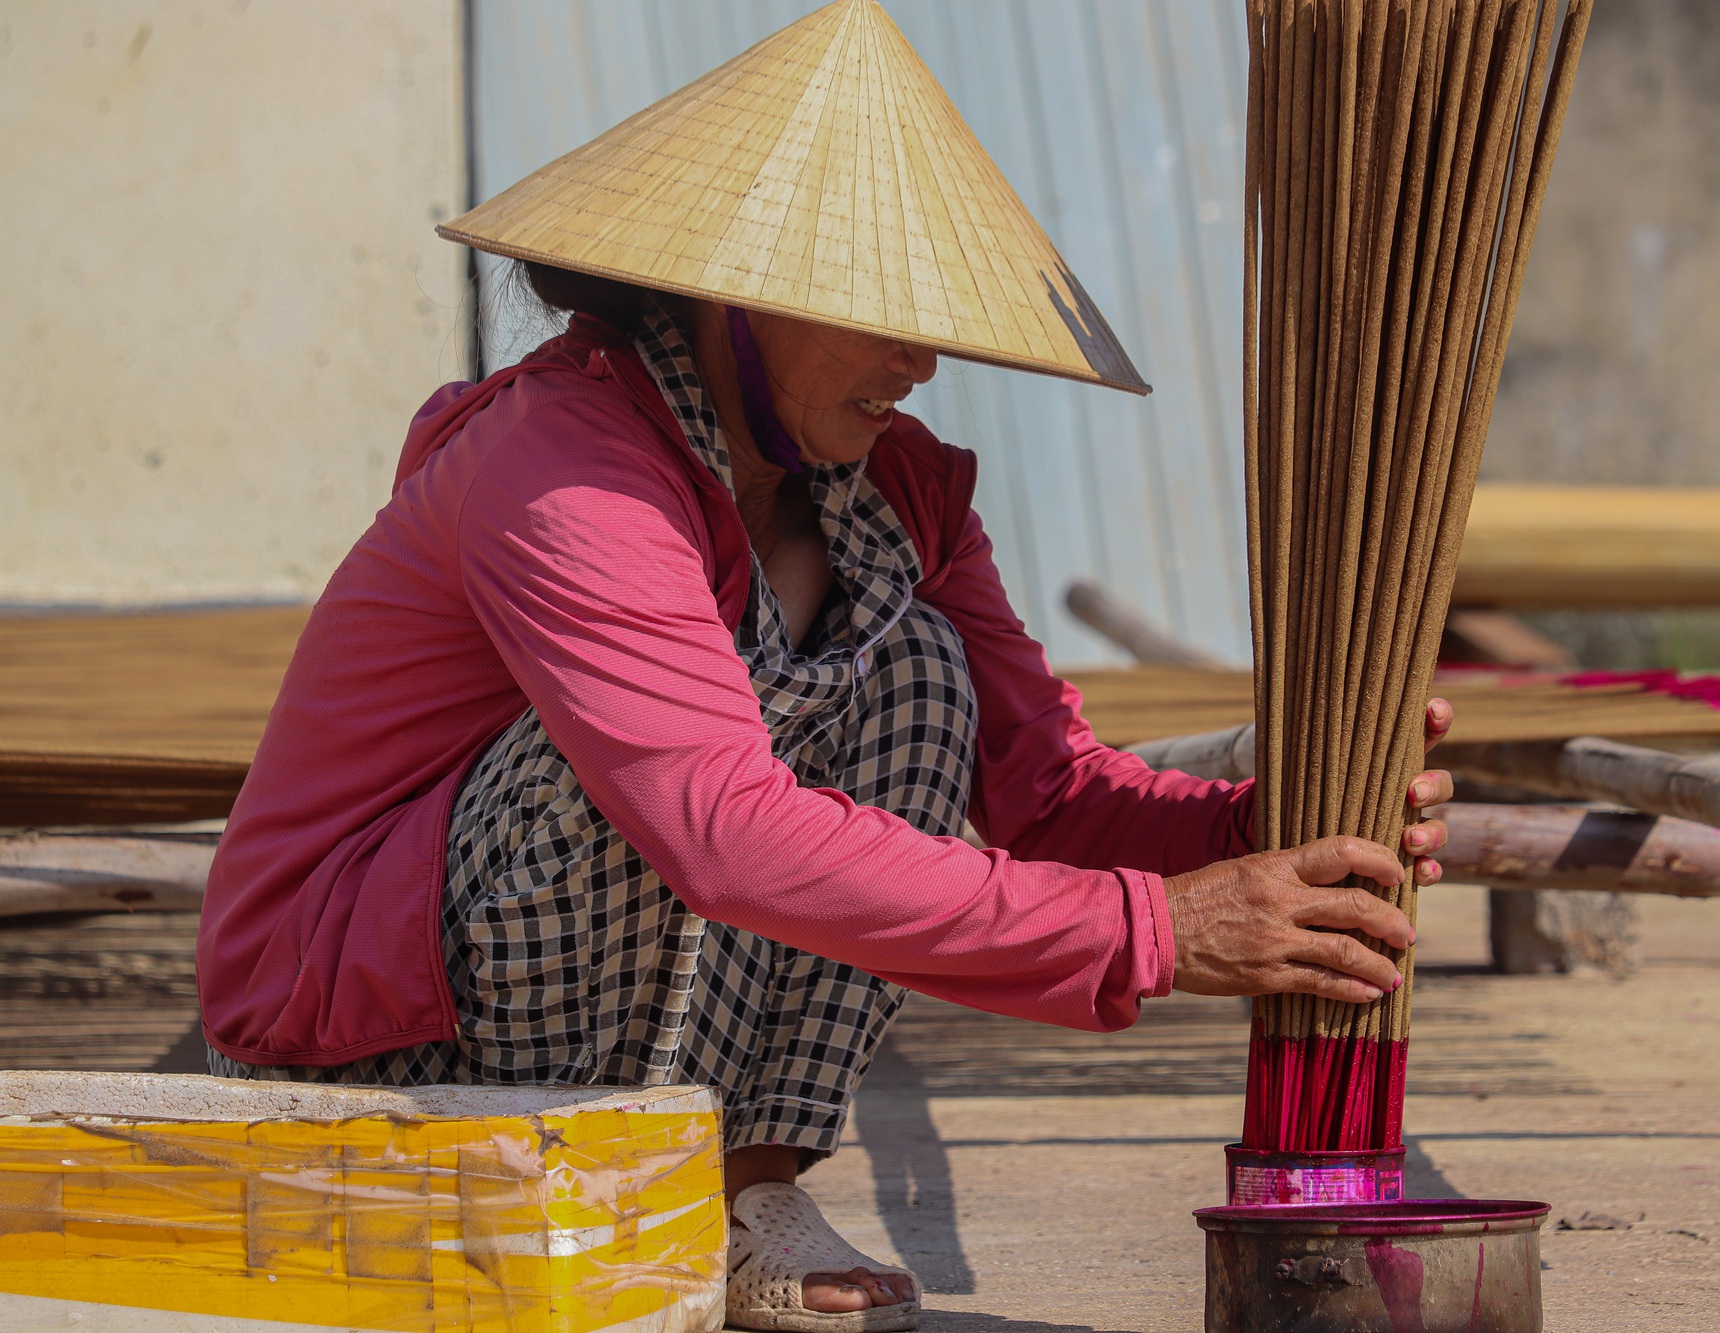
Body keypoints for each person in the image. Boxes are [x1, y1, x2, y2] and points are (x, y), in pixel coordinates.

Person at [195, 4, 1454, 1328]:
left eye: (933, 323)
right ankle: (610, 1178)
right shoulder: (561, 468)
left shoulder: (897, 494)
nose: (919, 362)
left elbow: (1046, 793)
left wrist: (1272, 838)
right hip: (358, 1023)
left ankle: (742, 1182)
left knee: (916, 668)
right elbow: (718, 833)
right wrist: (1157, 931)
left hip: (541, 956)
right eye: (881, 315)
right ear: (730, 289)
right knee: (659, 775)